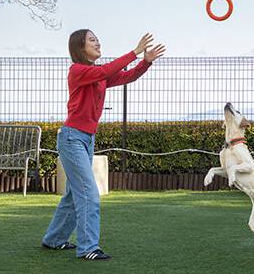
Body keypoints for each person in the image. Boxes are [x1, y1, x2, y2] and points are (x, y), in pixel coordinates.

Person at [41, 29, 165, 260]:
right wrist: (134, 52)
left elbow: (126, 76)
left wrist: (145, 62)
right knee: (88, 192)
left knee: (72, 194)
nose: (97, 42)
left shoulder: (97, 74)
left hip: (86, 139)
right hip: (72, 138)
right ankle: (88, 248)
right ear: (80, 48)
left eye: (97, 38)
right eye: (92, 40)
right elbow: (110, 69)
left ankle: (54, 239)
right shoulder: (78, 71)